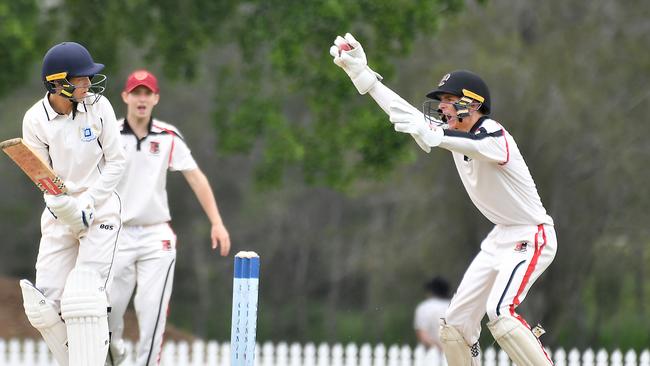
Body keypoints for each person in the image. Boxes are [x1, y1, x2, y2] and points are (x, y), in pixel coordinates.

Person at [330, 33, 557, 366]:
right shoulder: (449, 134)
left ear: (474, 104)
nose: (442, 107)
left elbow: (471, 145)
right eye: (441, 101)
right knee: (454, 328)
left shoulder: (494, 134)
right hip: (499, 237)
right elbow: (403, 113)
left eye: (449, 99)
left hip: (531, 233)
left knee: (500, 313)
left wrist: (436, 134)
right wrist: (364, 77)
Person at [106, 69, 231, 366]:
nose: (141, 98)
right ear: (125, 97)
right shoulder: (108, 133)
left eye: (147, 93)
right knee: (108, 314)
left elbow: (195, 177)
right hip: (115, 234)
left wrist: (217, 222)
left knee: (152, 313)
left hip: (155, 235)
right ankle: (114, 357)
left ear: (155, 99)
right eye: (136, 92)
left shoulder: (167, 137)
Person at [19, 41, 126, 366]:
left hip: (101, 210)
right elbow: (44, 179)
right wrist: (66, 208)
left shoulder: (100, 106)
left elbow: (117, 162)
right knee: (44, 306)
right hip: (59, 213)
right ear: (58, 82)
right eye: (81, 79)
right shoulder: (35, 120)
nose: (88, 84)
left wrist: (90, 202)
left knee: (83, 297)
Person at [414, 276, 451, 350]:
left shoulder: (424, 307)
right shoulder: (453, 306)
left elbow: (422, 334)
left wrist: (438, 348)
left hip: (430, 355)